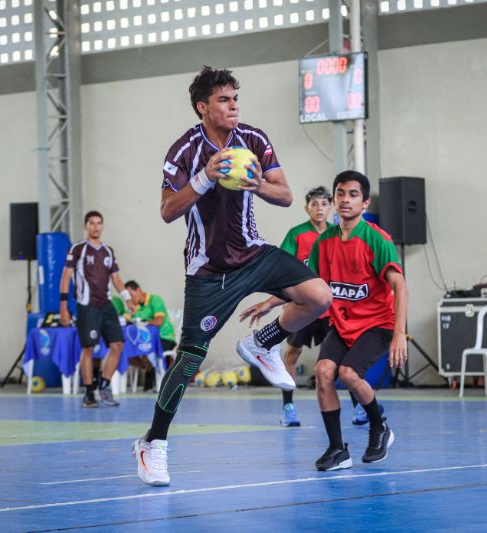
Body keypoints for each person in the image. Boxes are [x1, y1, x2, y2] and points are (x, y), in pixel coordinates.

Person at [132, 66, 332, 487]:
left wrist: (254, 184)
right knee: (188, 361)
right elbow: (168, 211)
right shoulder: (184, 150)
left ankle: (261, 344)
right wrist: (207, 176)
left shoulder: (254, 139)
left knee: (319, 296)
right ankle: (153, 443)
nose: (233, 105)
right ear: (203, 107)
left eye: (235, 98)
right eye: (224, 100)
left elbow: (285, 195)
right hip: (208, 269)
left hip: (254, 253)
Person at [242, 171, 408, 470]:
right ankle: (337, 449)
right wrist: (269, 302)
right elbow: (307, 287)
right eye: (341, 194)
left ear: (365, 202)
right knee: (323, 372)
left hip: (377, 324)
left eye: (353, 194)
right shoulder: (324, 243)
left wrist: (398, 334)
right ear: (334, 199)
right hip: (343, 323)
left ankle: (378, 426)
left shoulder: (376, 239)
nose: (345, 200)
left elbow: (400, 286)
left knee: (348, 373)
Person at [59, 211, 133, 408]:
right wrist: (64, 306)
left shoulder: (108, 251)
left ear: (103, 226)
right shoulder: (78, 249)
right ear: (86, 226)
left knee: (118, 345)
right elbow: (66, 277)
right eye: (92, 223)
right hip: (87, 305)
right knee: (88, 348)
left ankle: (104, 386)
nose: (96, 227)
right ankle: (89, 392)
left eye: (99, 223)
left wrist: (127, 299)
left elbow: (116, 279)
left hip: (106, 305)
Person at [275, 186, 334, 427]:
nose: (319, 208)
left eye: (323, 204)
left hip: (329, 308)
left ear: (330, 207)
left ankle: (356, 408)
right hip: (302, 305)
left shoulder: (336, 234)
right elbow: (281, 267)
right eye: (315, 204)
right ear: (306, 207)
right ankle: (288, 407)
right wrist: (285, 298)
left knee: (336, 356)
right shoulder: (296, 234)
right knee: (292, 353)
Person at [124, 280, 177, 390]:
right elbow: (125, 321)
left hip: (164, 338)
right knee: (123, 352)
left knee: (146, 351)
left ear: (138, 290)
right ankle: (149, 368)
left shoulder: (155, 300)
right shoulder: (134, 307)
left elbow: (159, 321)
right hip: (144, 340)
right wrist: (130, 316)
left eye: (131, 295)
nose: (130, 299)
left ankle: (150, 370)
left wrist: (144, 322)